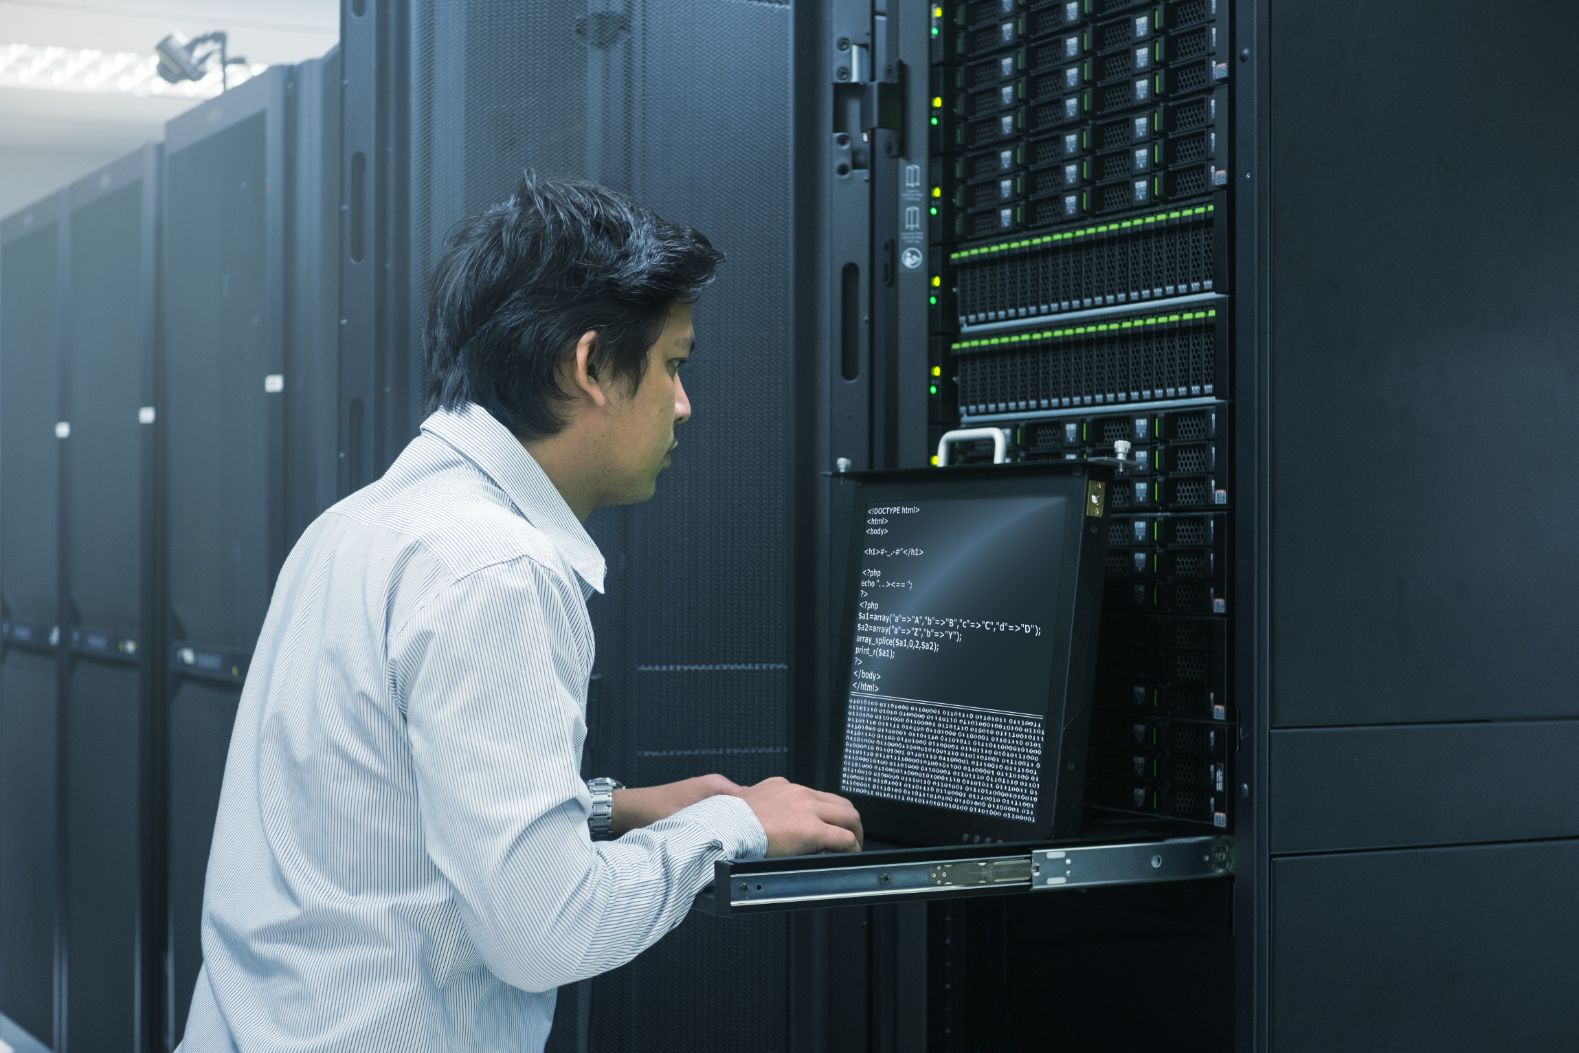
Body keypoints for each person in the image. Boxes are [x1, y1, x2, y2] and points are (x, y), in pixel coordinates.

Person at [179, 173, 863, 1051]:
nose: (684, 404)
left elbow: (383, 818)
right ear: (588, 367)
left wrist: (614, 807)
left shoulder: (359, 525)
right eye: (673, 365)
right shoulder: (497, 568)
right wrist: (733, 825)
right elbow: (547, 929)